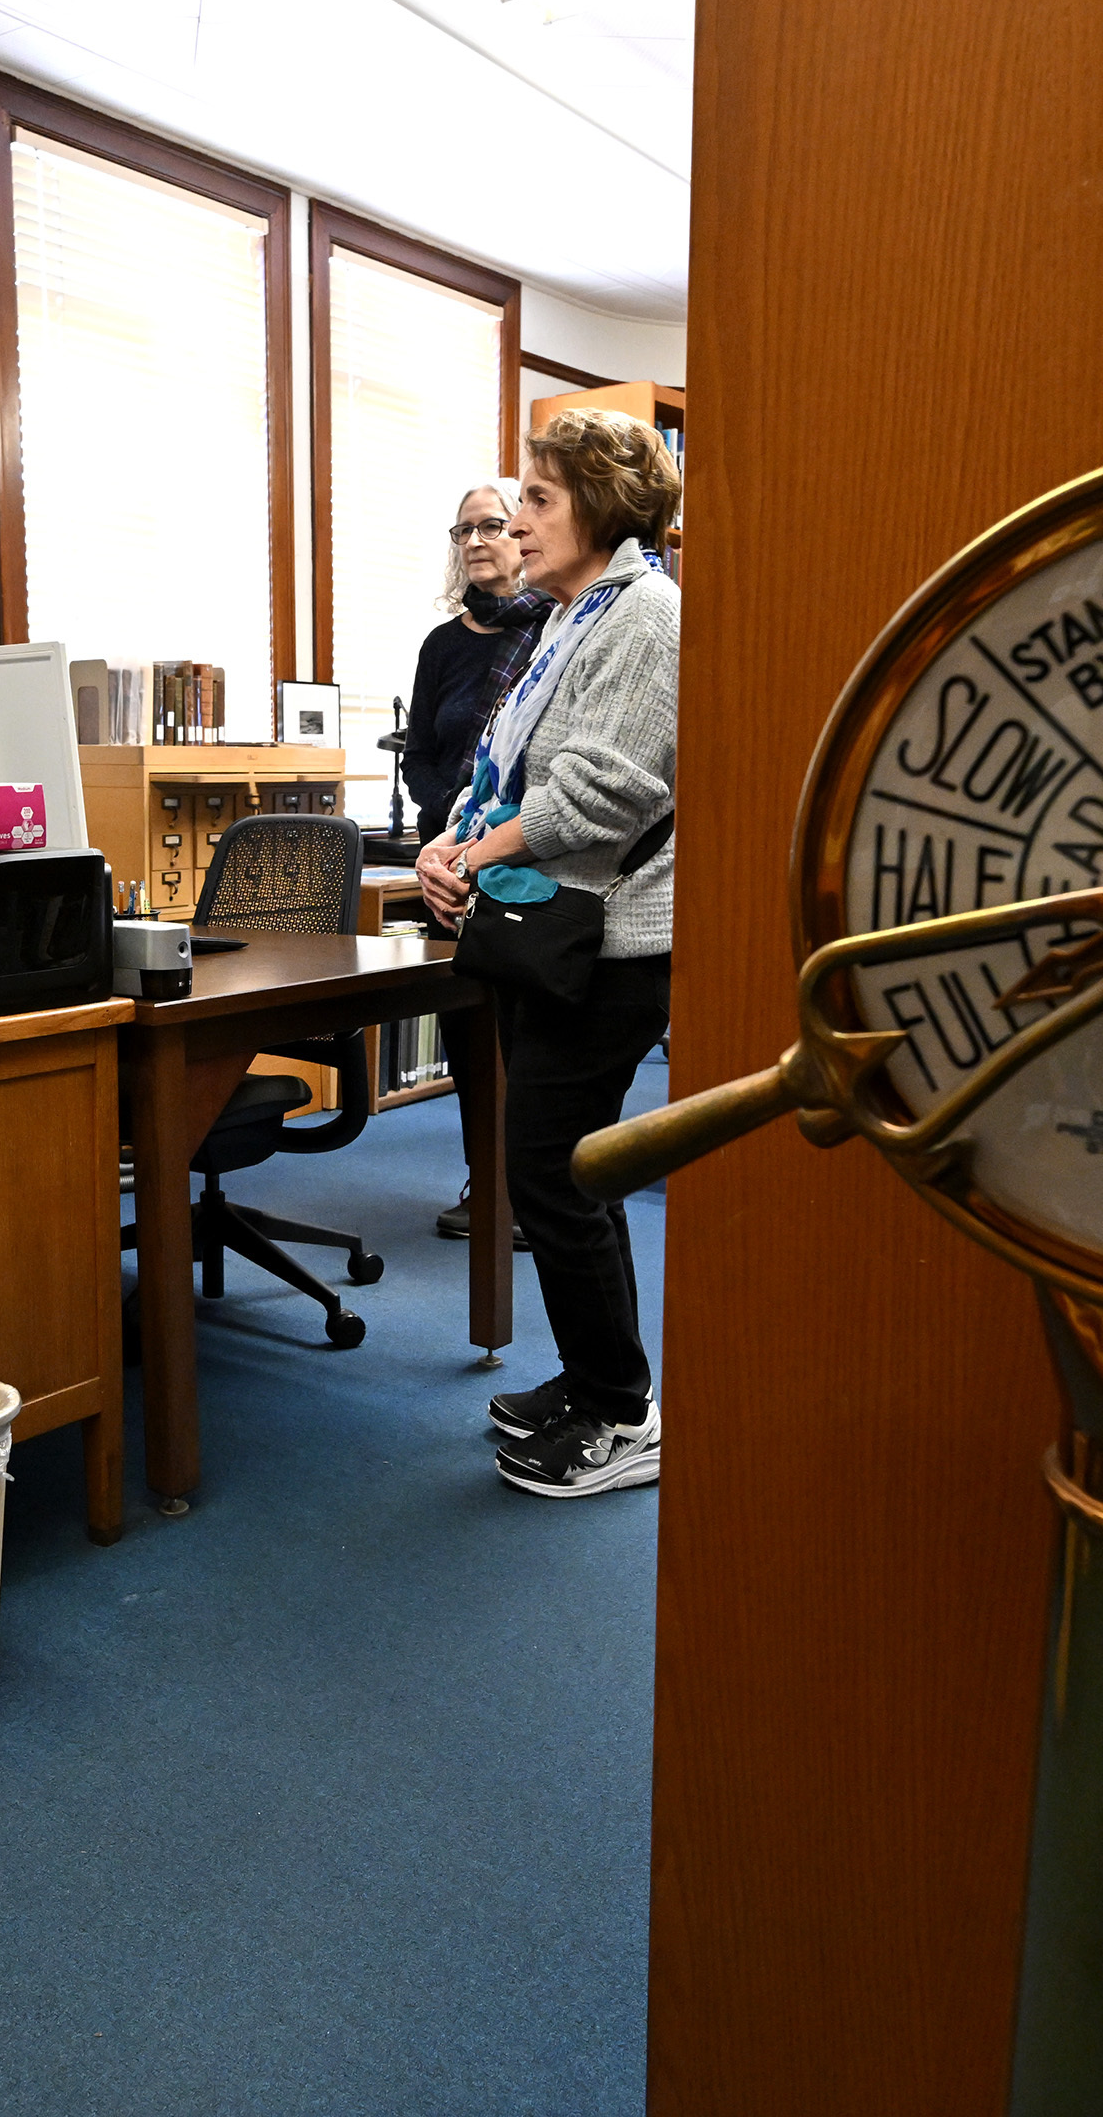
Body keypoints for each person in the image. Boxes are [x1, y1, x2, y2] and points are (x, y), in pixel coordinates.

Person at [416, 408, 680, 1500]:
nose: (515, 523)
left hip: (610, 942)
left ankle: (622, 1412)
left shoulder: (647, 617)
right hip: (550, 928)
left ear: (600, 508)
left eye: (536, 499)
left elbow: (607, 789)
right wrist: (449, 842)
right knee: (567, 1169)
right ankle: (594, 1378)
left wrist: (477, 851)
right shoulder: (573, 616)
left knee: (554, 1172)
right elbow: (504, 772)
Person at [405, 479, 551, 1244]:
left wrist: (481, 826)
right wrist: (447, 817)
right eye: (462, 531)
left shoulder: (554, 626)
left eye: (490, 525)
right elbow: (420, 754)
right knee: (470, 1033)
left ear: (521, 533)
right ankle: (483, 1176)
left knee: (523, 1034)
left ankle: (529, 1187)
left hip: (522, 855)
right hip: (448, 859)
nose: (476, 541)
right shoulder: (443, 644)